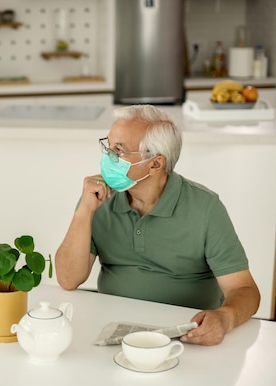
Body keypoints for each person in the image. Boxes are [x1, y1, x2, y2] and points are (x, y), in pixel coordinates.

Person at [55, 105, 260, 347]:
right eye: (107, 146)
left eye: (118, 150)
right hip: (112, 328)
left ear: (155, 164)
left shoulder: (205, 207)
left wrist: (224, 319)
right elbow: (68, 279)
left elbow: (245, 290)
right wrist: (84, 212)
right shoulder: (97, 197)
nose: (107, 157)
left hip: (187, 336)